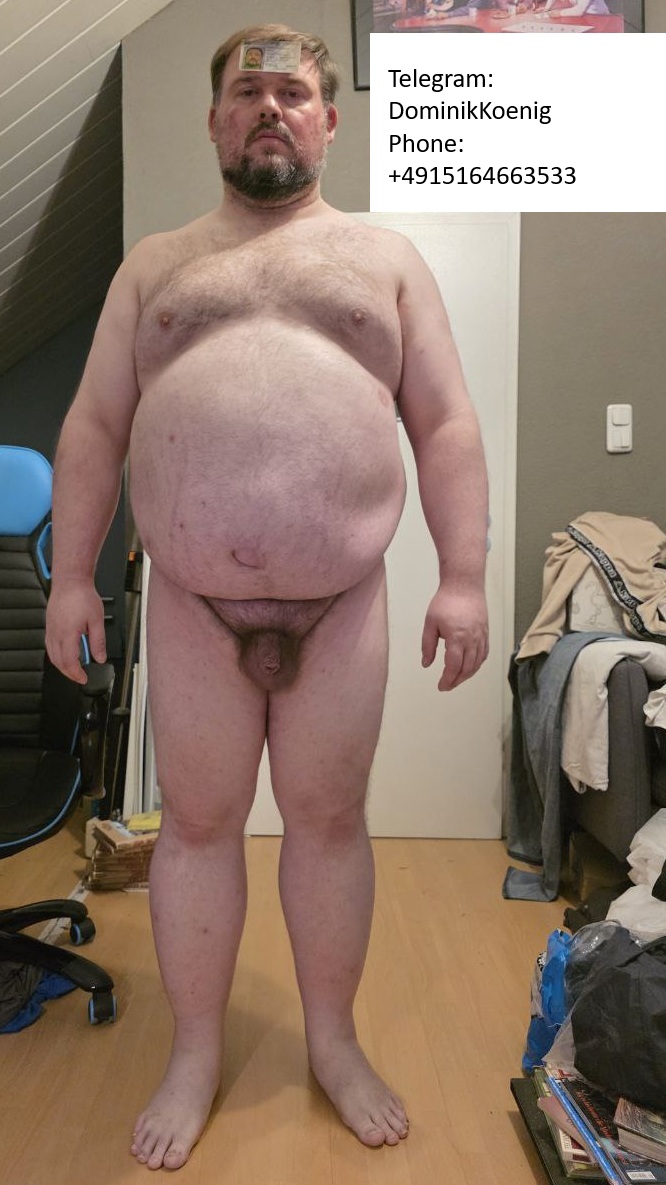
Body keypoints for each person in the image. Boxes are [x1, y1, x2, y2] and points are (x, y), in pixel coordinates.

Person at [45, 23, 489, 1172]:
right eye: (247, 95)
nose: (269, 110)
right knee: (197, 826)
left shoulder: (385, 260)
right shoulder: (156, 266)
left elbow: (445, 423)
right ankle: (195, 1051)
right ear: (214, 122)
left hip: (342, 602)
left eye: (292, 93)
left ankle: (332, 1041)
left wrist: (464, 577)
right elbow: (94, 425)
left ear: (329, 121)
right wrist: (75, 576)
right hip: (192, 603)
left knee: (329, 822)